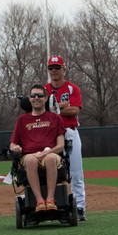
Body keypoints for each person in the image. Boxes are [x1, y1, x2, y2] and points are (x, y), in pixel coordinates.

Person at [9, 85, 67, 211]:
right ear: (29, 99)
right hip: (29, 155)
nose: (36, 98)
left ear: (46, 98)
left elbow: (61, 145)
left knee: (51, 159)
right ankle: (40, 201)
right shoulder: (22, 120)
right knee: (30, 160)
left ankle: (50, 200)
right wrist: (16, 147)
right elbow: (12, 144)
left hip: (50, 153)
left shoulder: (55, 118)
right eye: (33, 95)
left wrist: (47, 153)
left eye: (40, 95)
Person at [44, 55, 87, 219]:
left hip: (69, 131)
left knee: (76, 171)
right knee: (49, 168)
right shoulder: (44, 89)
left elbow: (75, 110)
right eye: (51, 68)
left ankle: (80, 207)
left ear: (64, 69)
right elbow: (42, 111)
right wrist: (63, 105)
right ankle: (51, 203)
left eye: (57, 67)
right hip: (49, 134)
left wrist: (52, 106)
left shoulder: (72, 88)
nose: (54, 70)